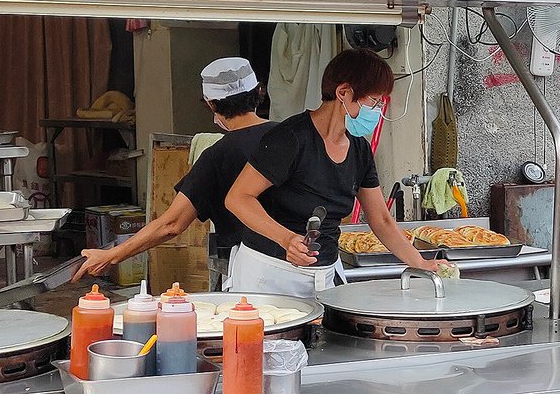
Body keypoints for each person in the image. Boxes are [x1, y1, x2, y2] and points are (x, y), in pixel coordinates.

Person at [226, 48, 443, 298]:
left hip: (325, 273)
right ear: (343, 92)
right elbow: (238, 198)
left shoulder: (359, 149)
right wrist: (286, 239)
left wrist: (420, 263)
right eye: (374, 100)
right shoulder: (289, 139)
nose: (378, 109)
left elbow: (380, 219)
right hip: (269, 275)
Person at [74, 57, 274, 283]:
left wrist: (111, 255)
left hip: (256, 271)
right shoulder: (292, 138)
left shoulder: (217, 156)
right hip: (310, 266)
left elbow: (171, 224)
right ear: (259, 91)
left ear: (212, 105)